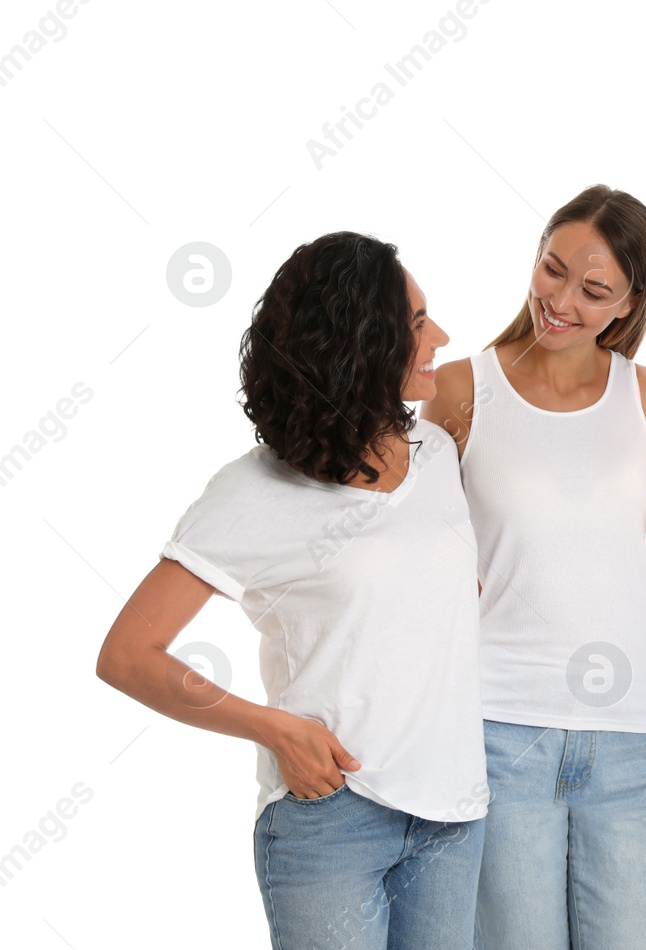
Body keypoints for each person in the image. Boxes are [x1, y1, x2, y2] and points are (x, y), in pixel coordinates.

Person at [97, 232, 488, 950]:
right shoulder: (251, 492)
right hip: (331, 817)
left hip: (453, 813)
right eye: (416, 323)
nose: (441, 336)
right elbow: (128, 655)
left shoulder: (435, 456)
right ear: (359, 345)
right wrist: (274, 729)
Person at [422, 185, 646, 950]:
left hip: (632, 743)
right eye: (552, 271)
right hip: (499, 732)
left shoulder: (643, 396)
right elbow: (420, 569)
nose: (560, 300)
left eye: (593, 291)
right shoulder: (461, 390)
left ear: (628, 303)